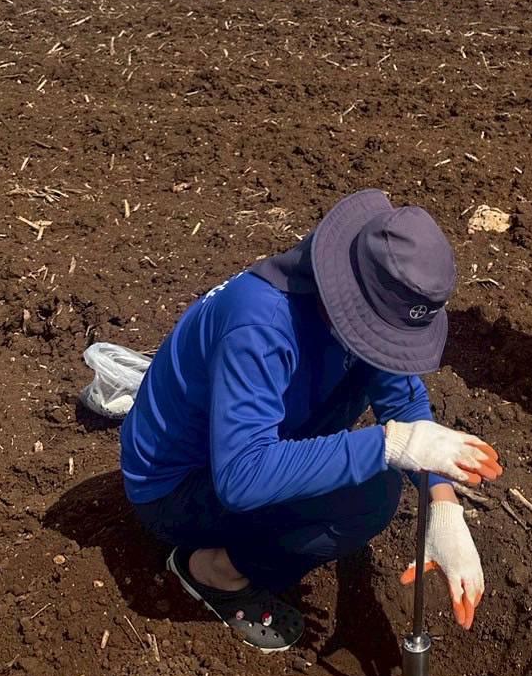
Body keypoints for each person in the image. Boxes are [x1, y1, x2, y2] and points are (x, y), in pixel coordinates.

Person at [120, 190, 502, 651]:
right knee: (371, 494)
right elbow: (241, 477)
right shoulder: (259, 325)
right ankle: (212, 572)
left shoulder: (356, 293)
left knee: (369, 478)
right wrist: (388, 445)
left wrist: (443, 506)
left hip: (249, 448)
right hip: (177, 489)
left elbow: (403, 402)